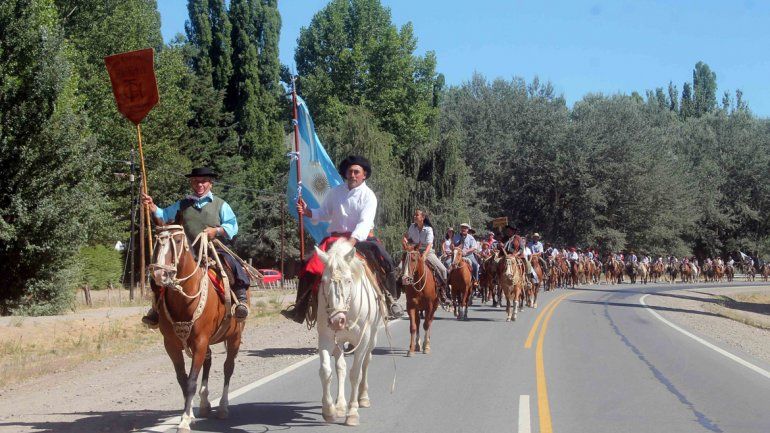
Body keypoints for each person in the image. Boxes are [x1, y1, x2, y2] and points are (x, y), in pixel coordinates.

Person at [282, 156, 403, 323]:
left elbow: (364, 223)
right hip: (335, 239)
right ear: (345, 173)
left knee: (385, 260)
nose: (352, 175)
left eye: (356, 172)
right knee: (309, 264)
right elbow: (324, 213)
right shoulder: (335, 192)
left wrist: (352, 242)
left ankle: (391, 300)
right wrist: (308, 212)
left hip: (362, 240)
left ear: (364, 175)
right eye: (350, 171)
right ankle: (300, 307)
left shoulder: (369, 196)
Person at [140, 167, 250, 326]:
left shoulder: (220, 204)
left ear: (210, 183)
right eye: (196, 181)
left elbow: (232, 226)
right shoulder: (183, 204)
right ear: (192, 183)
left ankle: (240, 300)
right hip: (184, 251)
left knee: (233, 264)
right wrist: (152, 206)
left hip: (213, 249)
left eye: (203, 181)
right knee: (159, 271)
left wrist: (216, 230)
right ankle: (156, 309)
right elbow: (164, 215)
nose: (200, 184)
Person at [402, 209, 448, 299]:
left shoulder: (428, 229)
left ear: (422, 217)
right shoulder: (412, 227)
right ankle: (398, 290)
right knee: (400, 268)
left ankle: (443, 292)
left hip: (427, 252)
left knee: (443, 270)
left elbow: (429, 244)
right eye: (414, 215)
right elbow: (406, 236)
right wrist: (405, 241)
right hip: (414, 251)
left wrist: (424, 256)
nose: (415, 216)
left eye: (417, 215)